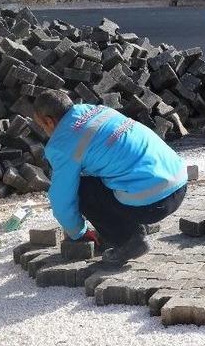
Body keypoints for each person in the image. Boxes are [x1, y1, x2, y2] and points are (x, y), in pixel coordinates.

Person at [33, 90, 189, 266]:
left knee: (81, 189)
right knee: (102, 170)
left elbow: (61, 200)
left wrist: (79, 233)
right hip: (180, 183)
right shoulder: (98, 110)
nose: (44, 131)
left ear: (49, 121)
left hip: (153, 205)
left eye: (42, 126)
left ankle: (129, 241)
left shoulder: (61, 144)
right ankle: (131, 223)